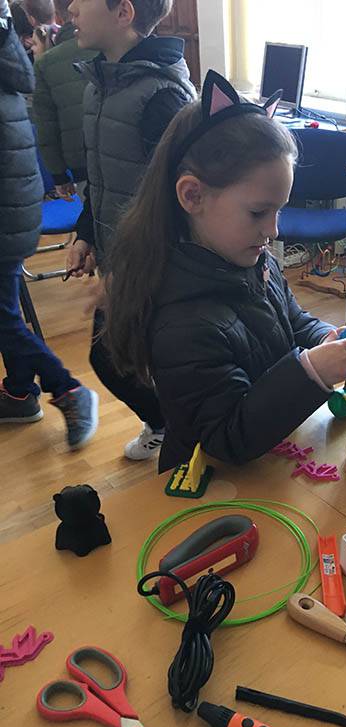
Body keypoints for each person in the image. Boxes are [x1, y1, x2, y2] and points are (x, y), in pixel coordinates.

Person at [105, 70, 346, 472]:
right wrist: (312, 371)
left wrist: (324, 338)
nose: (274, 230)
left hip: (271, 460)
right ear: (192, 196)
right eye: (258, 212)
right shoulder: (181, 321)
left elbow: (290, 320)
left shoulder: (252, 257)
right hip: (212, 485)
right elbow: (226, 438)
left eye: (279, 210)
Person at [66, 0, 196, 460]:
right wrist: (86, 233)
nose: (71, 9)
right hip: (119, 257)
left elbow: (177, 205)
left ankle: (181, 433)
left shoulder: (162, 97)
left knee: (115, 358)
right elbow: (101, 176)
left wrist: (129, 273)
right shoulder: (99, 85)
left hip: (154, 262)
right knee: (119, 358)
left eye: (81, 0)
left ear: (123, 13)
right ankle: (170, 427)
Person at [0, 0, 98, 447]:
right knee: (5, 310)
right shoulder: (10, 66)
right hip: (15, 210)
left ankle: (67, 388)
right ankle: (20, 392)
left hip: (7, 213)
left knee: (3, 316)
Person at [32, 0, 96, 197]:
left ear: (58, 17)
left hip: (80, 162)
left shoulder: (45, 63)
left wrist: (59, 176)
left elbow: (46, 127)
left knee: (92, 211)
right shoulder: (109, 46)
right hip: (125, 156)